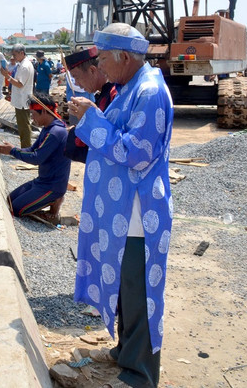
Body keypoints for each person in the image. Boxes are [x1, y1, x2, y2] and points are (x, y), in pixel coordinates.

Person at [69, 23, 173, 388]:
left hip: (137, 213)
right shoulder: (131, 86)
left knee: (139, 294)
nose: (100, 67)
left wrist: (89, 118)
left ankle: (140, 374)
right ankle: (124, 352)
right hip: (122, 213)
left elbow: (136, 153)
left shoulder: (148, 91)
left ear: (124, 57)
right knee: (126, 292)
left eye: (103, 59)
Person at [0, 93, 71, 218]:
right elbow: (31, 150)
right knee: (9, 201)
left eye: (33, 115)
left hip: (52, 186)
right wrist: (12, 149)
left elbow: (36, 158)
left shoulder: (56, 133)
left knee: (17, 210)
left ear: (44, 112)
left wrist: (12, 151)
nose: (32, 119)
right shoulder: (48, 128)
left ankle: (55, 200)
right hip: (42, 181)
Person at [62, 47, 117, 163]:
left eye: (76, 77)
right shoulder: (104, 93)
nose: (75, 83)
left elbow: (113, 140)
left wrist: (91, 115)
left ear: (92, 70)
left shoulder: (114, 94)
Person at [1, 44, 35, 148]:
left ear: (21, 53)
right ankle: (25, 147)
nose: (14, 57)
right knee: (23, 125)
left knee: (24, 126)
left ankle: (26, 148)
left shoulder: (25, 66)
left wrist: (8, 77)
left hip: (23, 100)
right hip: (21, 99)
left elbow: (20, 84)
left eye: (15, 55)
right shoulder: (22, 64)